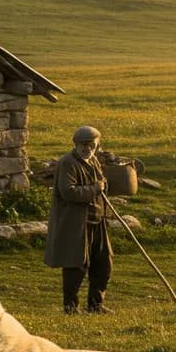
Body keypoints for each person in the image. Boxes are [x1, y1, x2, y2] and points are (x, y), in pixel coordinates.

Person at [44, 126, 113, 314]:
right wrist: (95, 189)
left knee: (103, 264)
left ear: (97, 145)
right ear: (75, 145)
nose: (87, 149)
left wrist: (102, 187)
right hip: (76, 224)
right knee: (76, 266)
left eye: (91, 145)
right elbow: (68, 192)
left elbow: (100, 185)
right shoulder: (68, 163)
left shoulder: (94, 161)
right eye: (83, 145)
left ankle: (95, 305)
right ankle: (70, 307)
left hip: (97, 222)